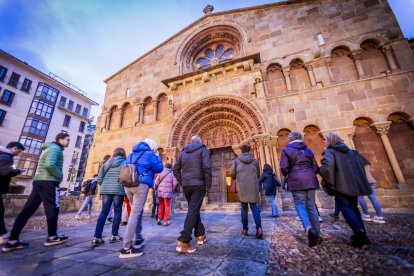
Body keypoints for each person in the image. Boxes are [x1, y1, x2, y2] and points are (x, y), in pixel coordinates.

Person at [2, 133, 70, 252]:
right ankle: (52, 237)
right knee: (53, 208)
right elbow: (50, 165)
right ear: (60, 140)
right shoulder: (55, 149)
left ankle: (13, 240)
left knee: (28, 210)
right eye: (67, 140)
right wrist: (60, 175)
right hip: (49, 181)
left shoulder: (49, 148)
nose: (69, 142)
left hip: (39, 181)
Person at [320, 132, 372, 248]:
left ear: (330, 140)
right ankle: (363, 236)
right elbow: (361, 166)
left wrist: (320, 170)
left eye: (325, 139)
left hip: (341, 185)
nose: (323, 142)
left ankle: (359, 232)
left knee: (345, 207)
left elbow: (327, 167)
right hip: (354, 185)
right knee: (354, 208)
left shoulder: (330, 151)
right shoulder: (351, 152)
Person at [120, 138, 163, 258]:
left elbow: (123, 168)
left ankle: (137, 238)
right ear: (152, 147)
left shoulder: (132, 154)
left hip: (128, 186)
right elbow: (159, 169)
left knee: (136, 212)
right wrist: (157, 156)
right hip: (140, 185)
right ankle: (126, 248)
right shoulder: (149, 154)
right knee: (135, 213)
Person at [280, 131, 321, 247]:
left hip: (296, 180)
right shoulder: (308, 150)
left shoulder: (286, 150)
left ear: (290, 139)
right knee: (311, 206)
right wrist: (309, 174)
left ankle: (308, 228)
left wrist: (288, 175)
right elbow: (315, 167)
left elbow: (284, 167)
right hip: (310, 180)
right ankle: (317, 235)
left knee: (300, 204)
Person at [173, 135, 212, 254]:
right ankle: (184, 241)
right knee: (193, 210)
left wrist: (182, 181)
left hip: (187, 185)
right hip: (198, 184)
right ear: (200, 142)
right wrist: (208, 184)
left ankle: (200, 235)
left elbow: (175, 169)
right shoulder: (203, 150)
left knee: (193, 209)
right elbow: (207, 167)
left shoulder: (183, 152)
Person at [92, 148, 126, 247]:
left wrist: (105, 185)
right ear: (123, 154)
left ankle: (96, 237)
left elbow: (99, 178)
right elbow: (126, 177)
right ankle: (114, 235)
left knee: (104, 212)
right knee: (118, 211)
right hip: (119, 190)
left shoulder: (107, 163)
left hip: (106, 190)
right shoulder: (125, 163)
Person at [231, 144, 262, 238]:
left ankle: (245, 229)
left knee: (244, 208)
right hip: (252, 186)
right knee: (254, 207)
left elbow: (232, 173)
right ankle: (259, 229)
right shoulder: (255, 161)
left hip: (242, 186)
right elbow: (258, 174)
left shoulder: (236, 161)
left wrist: (237, 177)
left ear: (241, 151)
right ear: (249, 151)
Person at [0, 142, 25, 245]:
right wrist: (18, 171)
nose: (19, 154)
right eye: (19, 151)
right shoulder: (7, 157)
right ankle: (2, 233)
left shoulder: (2, 155)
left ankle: (3, 233)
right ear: (14, 148)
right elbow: (5, 171)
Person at [354, 151, 385, 224]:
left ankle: (366, 215)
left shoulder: (355, 163)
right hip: (371, 180)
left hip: (362, 181)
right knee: (373, 198)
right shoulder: (365, 162)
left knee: (360, 198)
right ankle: (379, 216)